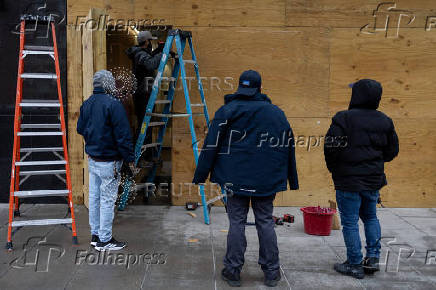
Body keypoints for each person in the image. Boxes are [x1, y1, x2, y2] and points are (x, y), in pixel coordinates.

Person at [193, 70, 299, 287]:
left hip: (234, 179)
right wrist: (291, 178)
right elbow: (288, 147)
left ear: (240, 87)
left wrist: (201, 175)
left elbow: (211, 145)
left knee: (237, 222)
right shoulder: (276, 113)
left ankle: (232, 271)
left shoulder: (227, 111)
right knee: (265, 221)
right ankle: (271, 272)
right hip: (265, 181)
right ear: (260, 88)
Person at [324, 79, 399, 279]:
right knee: (371, 217)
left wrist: (336, 170)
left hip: (348, 181)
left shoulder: (343, 118)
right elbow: (392, 151)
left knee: (349, 223)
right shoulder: (385, 120)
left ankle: (355, 264)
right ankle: (372, 258)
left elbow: (331, 148)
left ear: (356, 95)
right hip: (372, 180)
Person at [77, 70, 135, 251]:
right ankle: (105, 240)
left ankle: (96, 236)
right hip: (109, 161)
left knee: (94, 197)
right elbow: (123, 136)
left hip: (93, 159)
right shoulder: (114, 105)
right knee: (108, 200)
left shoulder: (87, 104)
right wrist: (130, 160)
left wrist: (93, 140)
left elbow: (80, 128)